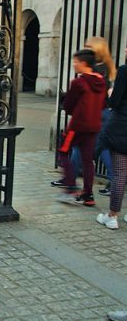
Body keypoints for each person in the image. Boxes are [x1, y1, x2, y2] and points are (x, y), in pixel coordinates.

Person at [54, 36, 117, 195]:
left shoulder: (90, 75)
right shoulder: (102, 73)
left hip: (86, 119)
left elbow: (70, 104)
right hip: (95, 118)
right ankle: (79, 185)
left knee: (72, 149)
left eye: (89, 46)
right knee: (84, 154)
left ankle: (73, 182)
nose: (85, 48)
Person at [57, 49, 107, 206]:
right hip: (94, 125)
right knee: (87, 160)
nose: (74, 65)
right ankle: (88, 194)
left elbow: (68, 105)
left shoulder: (78, 82)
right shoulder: (101, 81)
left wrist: (73, 109)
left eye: (76, 62)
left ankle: (71, 187)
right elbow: (103, 104)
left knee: (63, 152)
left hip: (77, 126)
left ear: (84, 63)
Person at [96, 46, 127, 229]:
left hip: (122, 125)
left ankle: (112, 215)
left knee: (120, 173)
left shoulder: (124, 70)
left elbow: (114, 102)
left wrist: (110, 94)